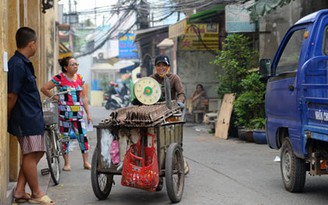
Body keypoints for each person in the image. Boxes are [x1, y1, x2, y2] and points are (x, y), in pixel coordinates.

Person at [7, 27, 55, 204]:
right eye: (36, 43)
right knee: (31, 153)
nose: (37, 47)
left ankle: (19, 191)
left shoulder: (23, 63)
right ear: (31, 44)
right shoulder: (17, 64)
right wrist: (9, 116)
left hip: (32, 116)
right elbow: (12, 95)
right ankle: (36, 193)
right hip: (24, 117)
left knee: (37, 152)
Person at [41, 56, 92, 171]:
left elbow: (84, 97)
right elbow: (44, 88)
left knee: (83, 137)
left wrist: (88, 114)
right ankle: (67, 163)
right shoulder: (59, 78)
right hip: (64, 115)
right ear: (65, 67)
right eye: (72, 64)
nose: (75, 66)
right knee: (65, 138)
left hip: (78, 115)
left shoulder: (80, 78)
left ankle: (86, 162)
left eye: (76, 64)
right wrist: (55, 98)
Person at [150, 55, 189, 174]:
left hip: (170, 113)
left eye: (164, 65)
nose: (161, 68)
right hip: (154, 113)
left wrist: (179, 102)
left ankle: (179, 161)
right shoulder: (151, 79)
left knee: (169, 139)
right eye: (159, 65)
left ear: (168, 67)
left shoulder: (174, 78)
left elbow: (181, 93)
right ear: (156, 67)